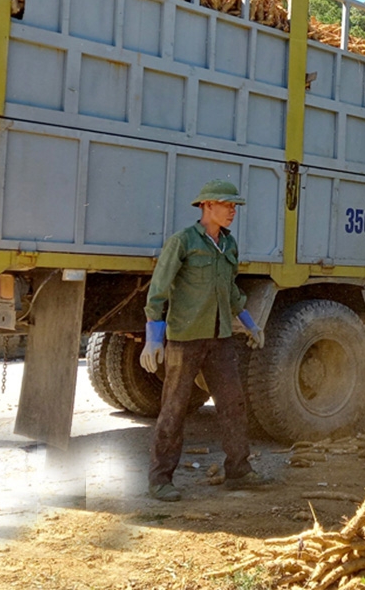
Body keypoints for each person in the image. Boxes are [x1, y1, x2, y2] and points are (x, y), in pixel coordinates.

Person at [142, 179, 269, 501]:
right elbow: (158, 290)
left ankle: (238, 470)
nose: (232, 212)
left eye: (234, 207)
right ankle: (160, 480)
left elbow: (230, 292)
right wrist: (153, 339)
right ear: (206, 206)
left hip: (220, 338)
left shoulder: (228, 245)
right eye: (226, 205)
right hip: (185, 338)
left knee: (233, 403)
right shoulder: (183, 242)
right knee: (174, 408)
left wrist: (251, 324)